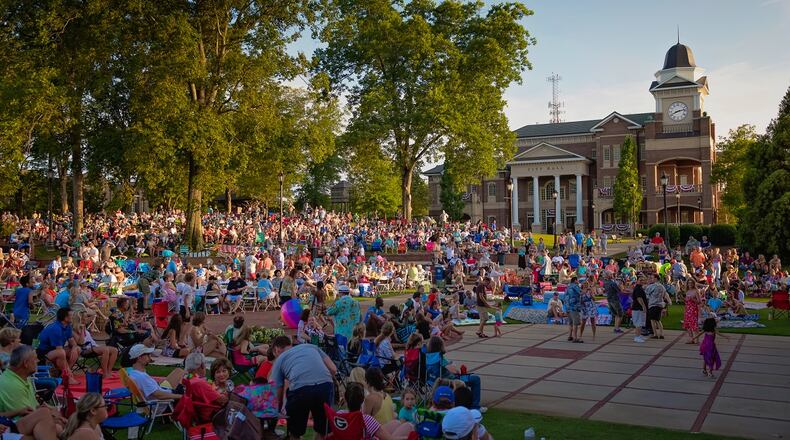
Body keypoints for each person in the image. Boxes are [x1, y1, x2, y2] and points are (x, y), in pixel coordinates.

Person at [270, 335, 336, 439]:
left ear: (276, 350)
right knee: (322, 430)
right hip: (325, 385)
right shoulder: (311, 346)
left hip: (300, 390)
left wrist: (277, 411)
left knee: (295, 432)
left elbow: (277, 392)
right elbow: (333, 369)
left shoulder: (279, 360)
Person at [0, 346, 65, 440]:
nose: (38, 361)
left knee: (59, 424)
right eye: (35, 359)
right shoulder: (11, 384)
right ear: (26, 363)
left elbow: (32, 409)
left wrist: (53, 414)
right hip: (12, 425)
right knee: (54, 425)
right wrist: (54, 418)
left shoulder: (23, 379)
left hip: (17, 425)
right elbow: (26, 415)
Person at [426, 337, 484, 411]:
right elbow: (455, 371)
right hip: (450, 381)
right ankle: (474, 406)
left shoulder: (428, 357)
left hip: (432, 381)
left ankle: (466, 402)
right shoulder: (439, 357)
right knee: (476, 379)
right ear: (440, 346)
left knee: (472, 379)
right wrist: (453, 365)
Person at [37, 307, 80, 385]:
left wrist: (74, 348)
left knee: (77, 349)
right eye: (71, 315)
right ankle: (68, 376)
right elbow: (59, 350)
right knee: (61, 353)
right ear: (65, 318)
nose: (73, 317)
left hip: (55, 350)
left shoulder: (67, 326)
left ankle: (65, 374)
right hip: (43, 353)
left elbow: (72, 341)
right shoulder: (56, 328)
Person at [182, 353, 228, 422]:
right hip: (212, 414)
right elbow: (223, 401)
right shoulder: (200, 383)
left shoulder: (188, 378)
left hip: (201, 412)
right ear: (202, 365)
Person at [646, 274, 671, 340]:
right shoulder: (662, 286)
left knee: (652, 320)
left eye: (652, 278)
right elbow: (666, 294)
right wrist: (669, 301)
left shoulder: (651, 286)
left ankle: (655, 334)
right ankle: (661, 334)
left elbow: (646, 295)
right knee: (658, 320)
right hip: (660, 305)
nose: (651, 279)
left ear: (656, 279)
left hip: (652, 304)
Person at [683, 280, 702, 344]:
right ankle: (691, 339)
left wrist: (693, 299)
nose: (690, 284)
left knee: (694, 325)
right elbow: (686, 301)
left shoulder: (696, 291)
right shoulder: (687, 291)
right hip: (687, 310)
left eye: (691, 283)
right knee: (688, 325)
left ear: (693, 284)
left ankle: (697, 339)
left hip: (693, 310)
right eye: (688, 283)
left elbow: (700, 302)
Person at [631, 275, 648, 343]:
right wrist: (643, 306)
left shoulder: (640, 287)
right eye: (640, 280)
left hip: (638, 308)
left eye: (643, 280)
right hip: (638, 308)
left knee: (641, 323)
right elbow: (639, 298)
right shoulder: (638, 288)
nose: (642, 281)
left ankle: (639, 335)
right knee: (638, 323)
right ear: (637, 281)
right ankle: (637, 337)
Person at [565, 277, 582, 343]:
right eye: (578, 280)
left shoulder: (568, 287)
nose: (578, 281)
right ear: (575, 280)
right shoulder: (575, 286)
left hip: (567, 307)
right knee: (576, 323)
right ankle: (575, 338)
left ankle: (570, 336)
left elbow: (565, 296)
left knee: (570, 323)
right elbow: (580, 293)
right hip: (574, 307)